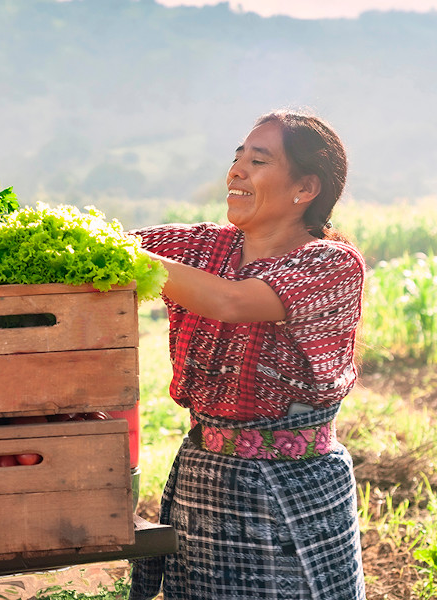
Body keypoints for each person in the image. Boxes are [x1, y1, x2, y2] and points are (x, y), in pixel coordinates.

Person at [128, 110, 366, 600]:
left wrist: (124, 257)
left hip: (293, 491)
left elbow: (231, 302)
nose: (236, 171)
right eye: (237, 158)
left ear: (305, 188)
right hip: (205, 479)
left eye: (258, 161)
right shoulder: (204, 246)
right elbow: (104, 246)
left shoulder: (331, 264)